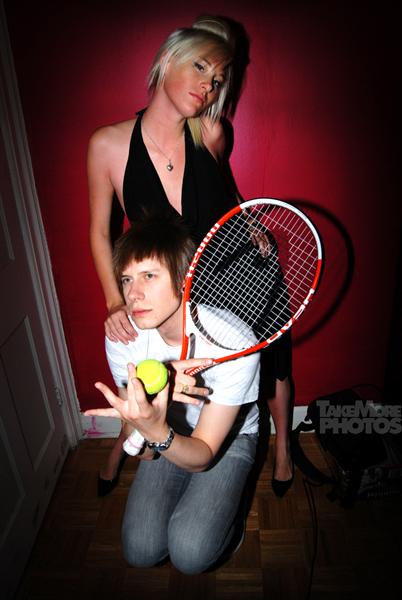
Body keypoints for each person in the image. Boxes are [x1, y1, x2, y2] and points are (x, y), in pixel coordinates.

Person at [87, 14, 293, 495]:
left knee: (272, 365)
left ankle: (283, 448)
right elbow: (99, 232)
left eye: (217, 79)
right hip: (176, 288)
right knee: (154, 371)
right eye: (200, 67)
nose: (208, 86)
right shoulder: (108, 144)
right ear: (166, 59)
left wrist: (247, 220)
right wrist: (114, 301)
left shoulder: (212, 132)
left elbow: (226, 186)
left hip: (241, 271)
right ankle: (126, 441)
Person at [85, 216, 260, 574]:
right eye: (126, 279)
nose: (133, 294)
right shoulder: (123, 337)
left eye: (149, 276)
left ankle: (230, 529)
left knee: (191, 553)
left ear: (184, 278)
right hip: (168, 430)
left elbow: (203, 456)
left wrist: (156, 432)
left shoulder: (234, 342)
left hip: (230, 438)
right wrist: (146, 424)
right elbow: (146, 451)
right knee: (140, 550)